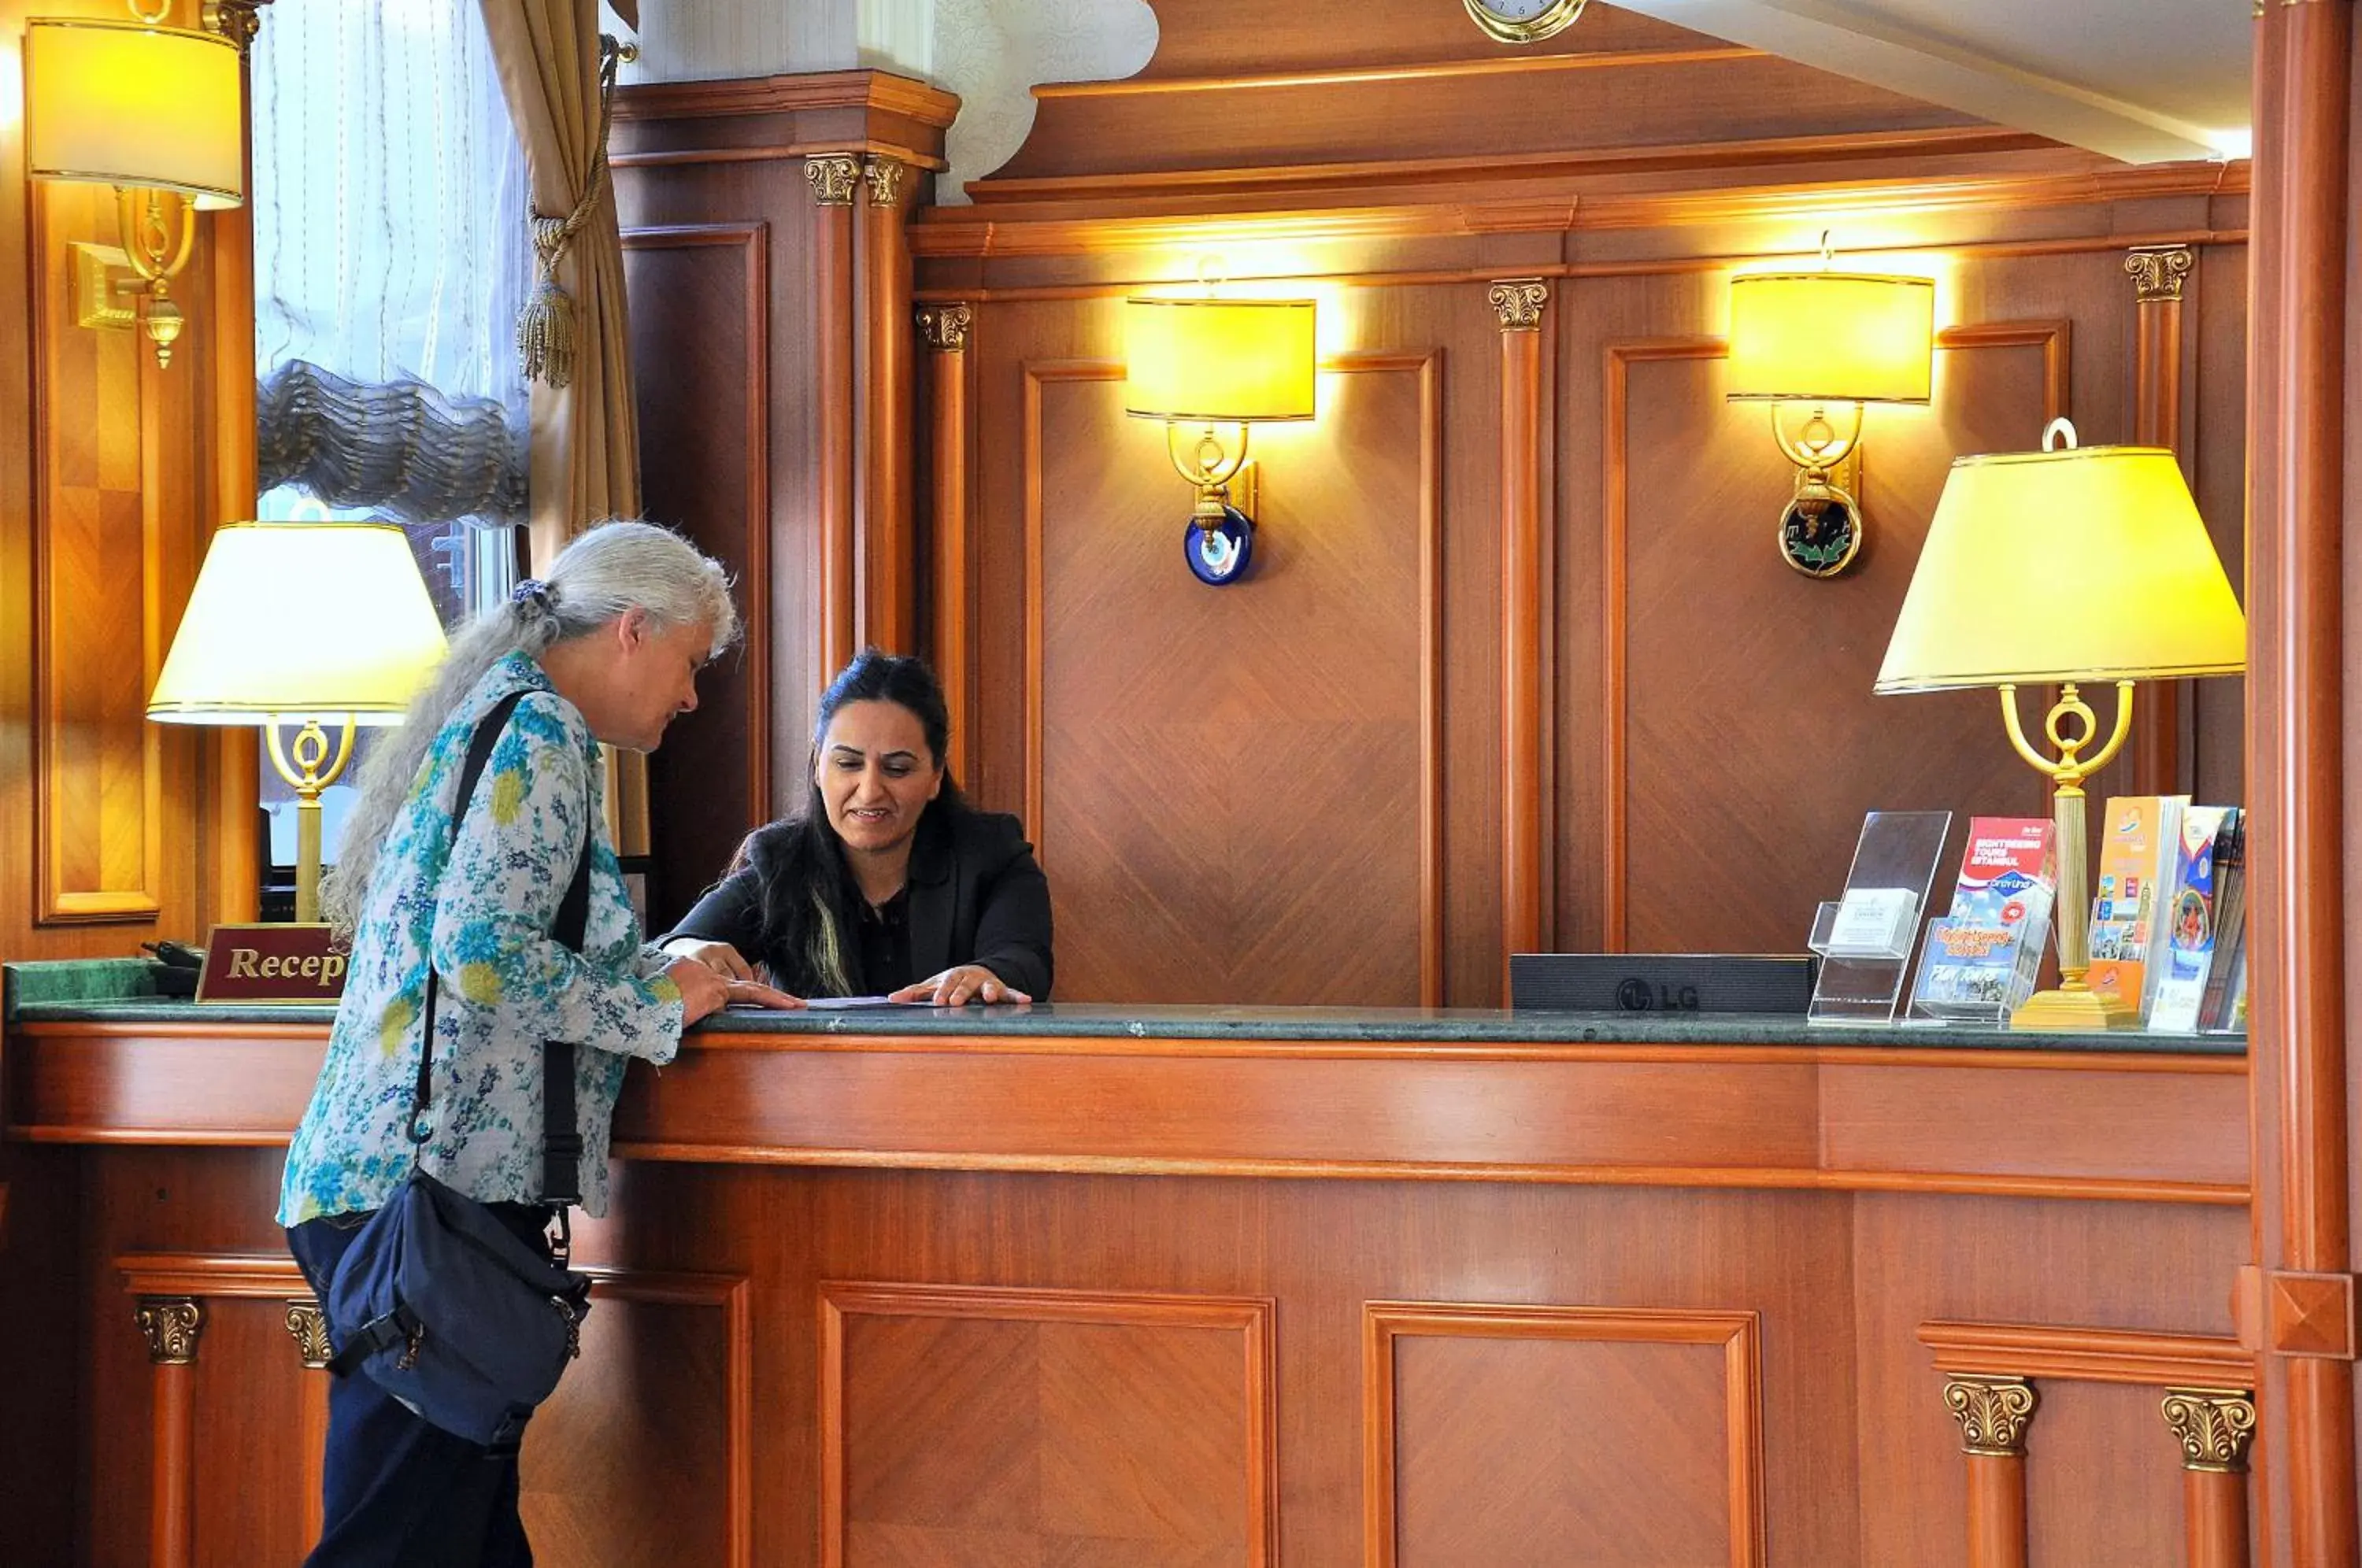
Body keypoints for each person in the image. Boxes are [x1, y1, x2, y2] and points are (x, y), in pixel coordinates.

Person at [277, 520, 792, 1566]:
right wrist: (660, 1012)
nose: (692, 697)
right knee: (400, 1541)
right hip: (427, 1206)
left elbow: (490, 948)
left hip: (396, 1193)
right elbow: (480, 955)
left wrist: (670, 969)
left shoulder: (492, 714)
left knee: (461, 1535)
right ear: (634, 631)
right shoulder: (543, 732)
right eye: (690, 664)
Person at [661, 649, 1053, 1005]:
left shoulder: (992, 853)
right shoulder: (779, 861)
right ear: (818, 766)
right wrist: (687, 951)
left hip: (955, 1078)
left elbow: (1025, 958)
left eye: (897, 769)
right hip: (814, 1081)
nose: (869, 792)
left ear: (935, 776)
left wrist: (988, 976)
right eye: (848, 764)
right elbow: (670, 949)